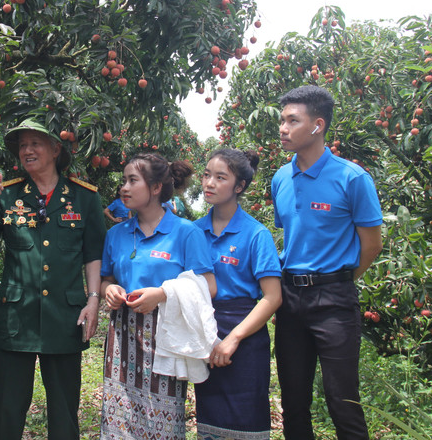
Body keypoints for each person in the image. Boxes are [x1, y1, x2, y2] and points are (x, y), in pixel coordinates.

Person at [0, 118, 106, 440]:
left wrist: (93, 300)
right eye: (22, 145)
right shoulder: (7, 195)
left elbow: (92, 253)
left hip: (66, 318)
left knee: (64, 412)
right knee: (7, 412)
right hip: (16, 320)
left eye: (35, 144)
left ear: (55, 149)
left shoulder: (84, 198)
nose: (27, 151)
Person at [272, 85, 383, 440]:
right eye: (282, 120)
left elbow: (372, 245)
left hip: (334, 300)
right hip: (289, 299)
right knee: (293, 400)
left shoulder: (352, 178)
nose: (283, 128)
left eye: (293, 120)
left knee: (343, 401)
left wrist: (339, 279)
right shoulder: (280, 179)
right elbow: (294, 234)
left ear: (318, 125)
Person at [100, 153, 217, 440]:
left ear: (155, 188)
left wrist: (163, 293)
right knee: (119, 417)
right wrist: (109, 290)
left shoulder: (186, 232)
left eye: (132, 181)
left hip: (165, 334)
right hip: (121, 336)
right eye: (123, 181)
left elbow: (208, 285)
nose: (123, 188)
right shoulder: (116, 234)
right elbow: (107, 279)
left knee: (161, 418)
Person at [193, 148, 282, 439]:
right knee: (210, 417)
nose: (209, 183)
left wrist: (233, 339)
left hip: (245, 335)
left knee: (246, 416)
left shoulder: (256, 234)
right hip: (206, 331)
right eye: (207, 175)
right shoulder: (193, 232)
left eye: (220, 177)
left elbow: (272, 297)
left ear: (239, 186)